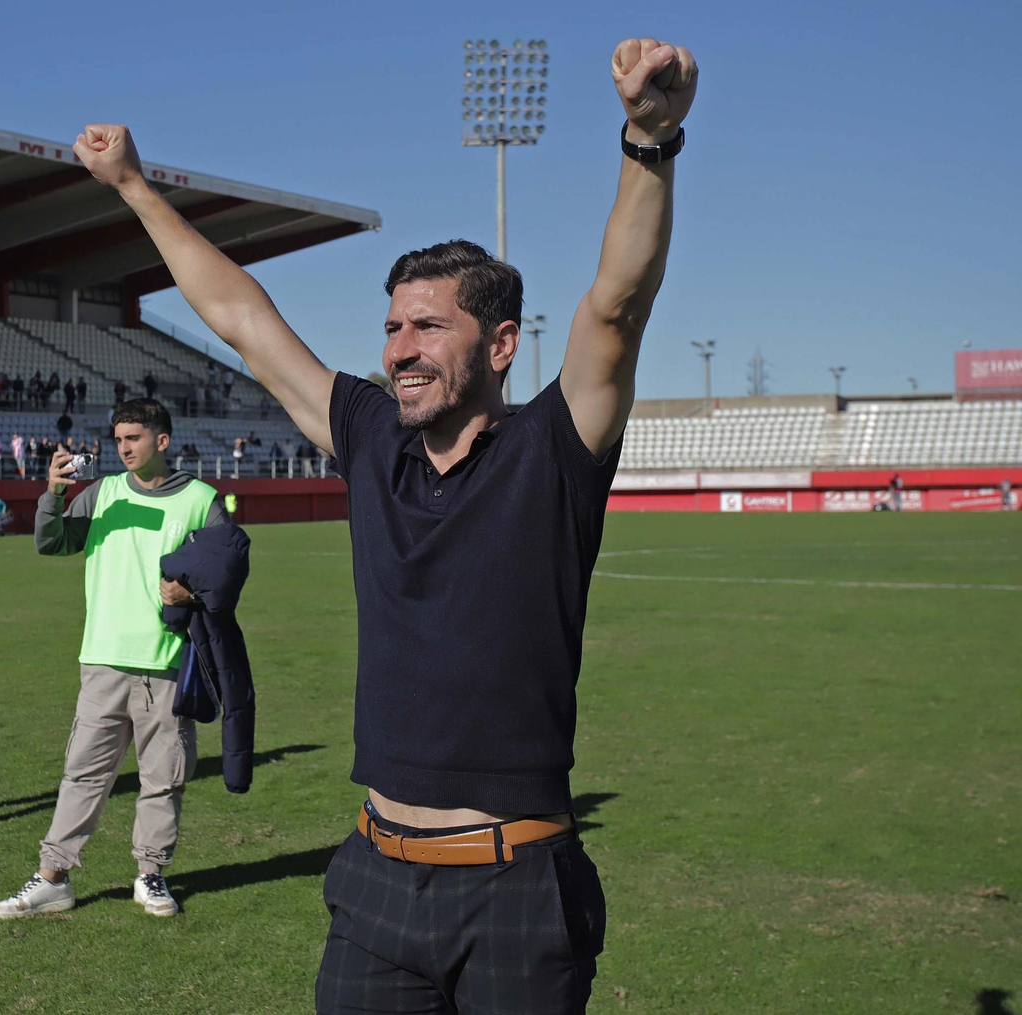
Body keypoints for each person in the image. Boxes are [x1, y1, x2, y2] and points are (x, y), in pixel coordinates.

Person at [69, 38, 696, 1006]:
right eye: (392, 325)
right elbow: (242, 317)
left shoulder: (552, 450)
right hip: (373, 878)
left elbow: (615, 308)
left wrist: (647, 141)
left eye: (427, 327)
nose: (398, 349)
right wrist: (134, 185)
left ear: (497, 344)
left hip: (516, 886)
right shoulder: (371, 439)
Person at [0, 398, 227, 921]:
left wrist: (192, 595)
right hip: (101, 660)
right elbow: (51, 544)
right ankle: (53, 878)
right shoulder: (101, 493)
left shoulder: (203, 500)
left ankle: (151, 876)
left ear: (161, 441)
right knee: (83, 775)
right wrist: (54, 491)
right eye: (118, 438)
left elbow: (225, 575)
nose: (123, 448)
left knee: (163, 777)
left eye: (133, 438)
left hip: (167, 664)